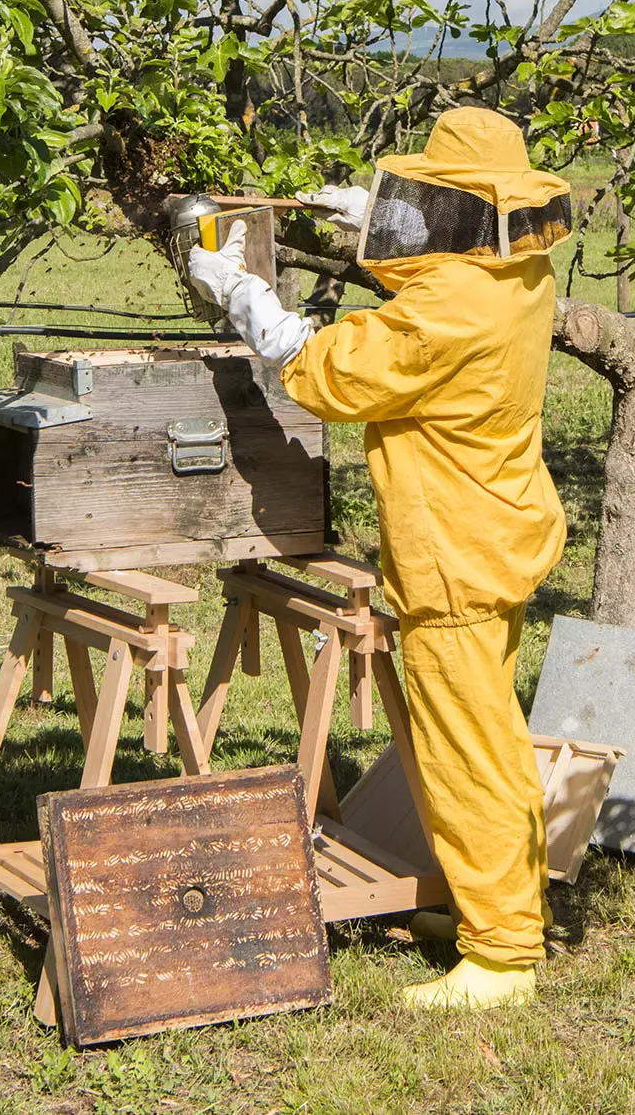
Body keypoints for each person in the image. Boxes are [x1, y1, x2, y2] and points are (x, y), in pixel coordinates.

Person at [189, 105, 571, 1009]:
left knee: (466, 750)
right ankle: (501, 906)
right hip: (503, 528)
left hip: (453, 553)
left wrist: (238, 290)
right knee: (491, 735)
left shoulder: (448, 311)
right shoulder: (521, 271)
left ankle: (503, 954)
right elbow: (444, 255)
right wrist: (365, 213)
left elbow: (321, 369)